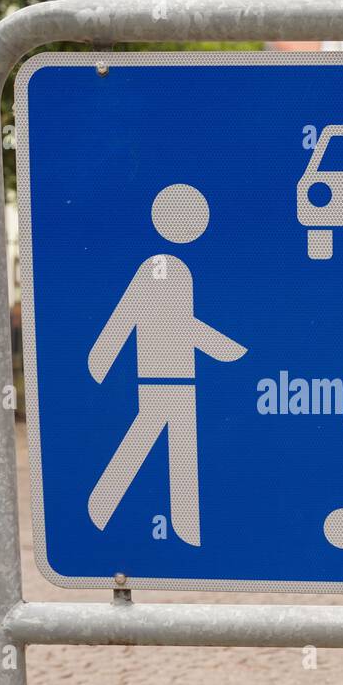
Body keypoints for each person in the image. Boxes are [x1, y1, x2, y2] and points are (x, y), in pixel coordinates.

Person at [87, 184, 246, 546]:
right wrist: (222, 348)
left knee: (177, 445)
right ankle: (103, 505)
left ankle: (184, 525)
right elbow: (132, 317)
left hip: (181, 377)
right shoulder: (159, 269)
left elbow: (151, 321)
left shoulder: (178, 271)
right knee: (150, 437)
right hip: (161, 376)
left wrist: (102, 358)